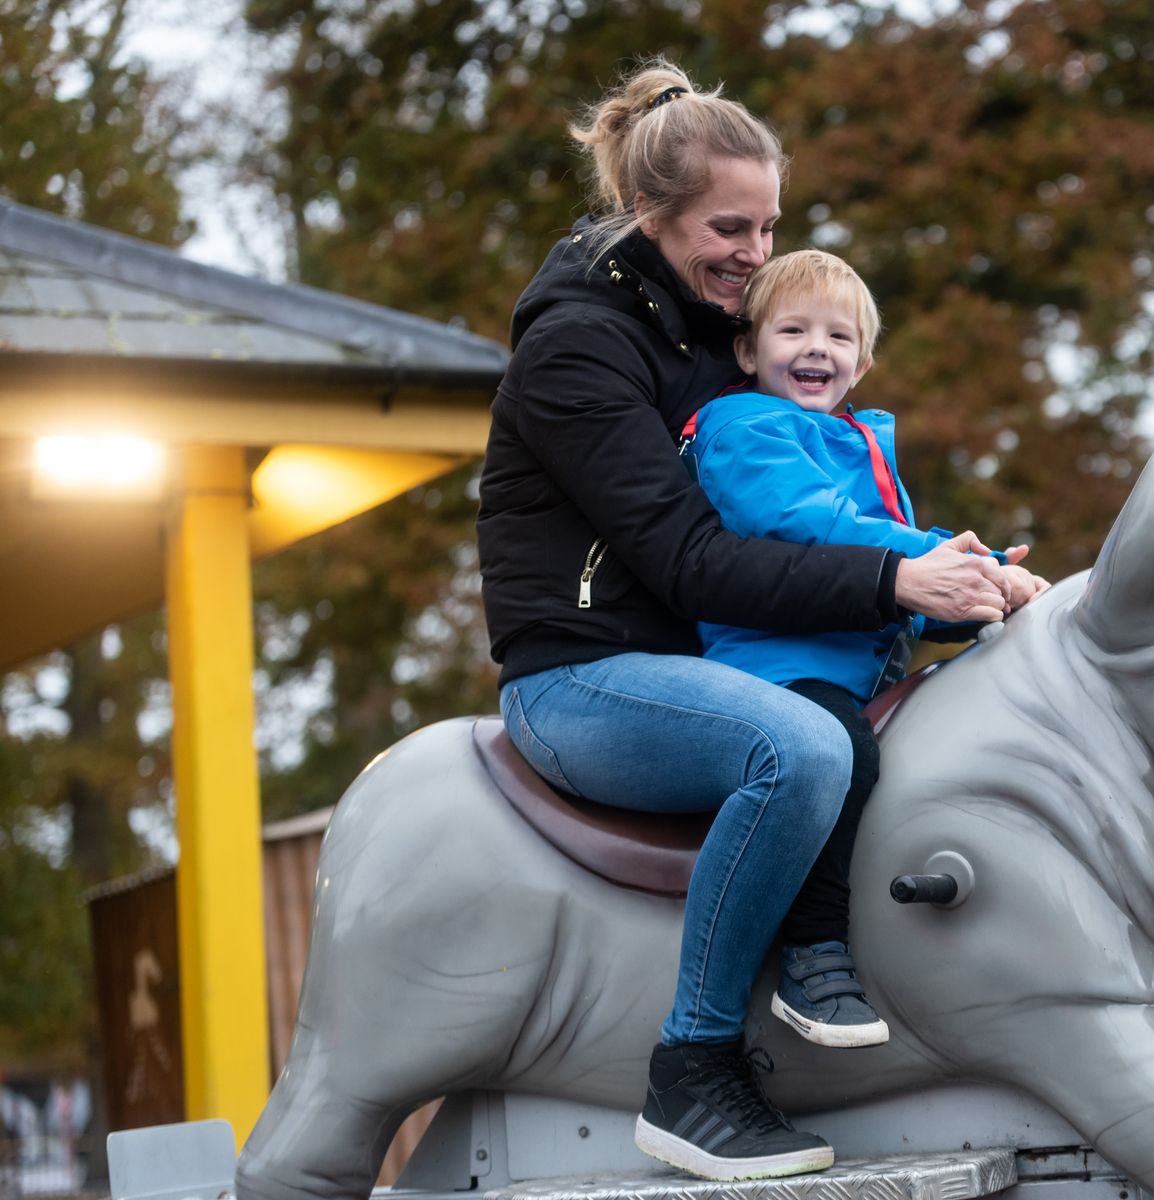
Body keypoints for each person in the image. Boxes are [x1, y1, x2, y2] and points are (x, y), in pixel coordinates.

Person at [476, 59, 1034, 1183]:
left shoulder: (714, 338)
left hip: (703, 658)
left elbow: (808, 519)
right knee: (798, 744)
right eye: (729, 226)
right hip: (583, 675)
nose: (753, 251)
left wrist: (949, 585)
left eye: (768, 226)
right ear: (650, 212)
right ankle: (693, 1066)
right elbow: (696, 562)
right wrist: (895, 582)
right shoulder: (576, 351)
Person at [686, 250, 1046, 1051]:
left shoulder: (856, 441)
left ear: (863, 361)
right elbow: (813, 527)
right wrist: (945, 559)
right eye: (792, 330)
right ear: (748, 352)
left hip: (858, 669)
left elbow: (890, 598)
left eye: (839, 336)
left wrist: (981, 601)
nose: (818, 348)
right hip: (777, 668)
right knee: (836, 754)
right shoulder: (742, 428)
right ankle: (811, 955)